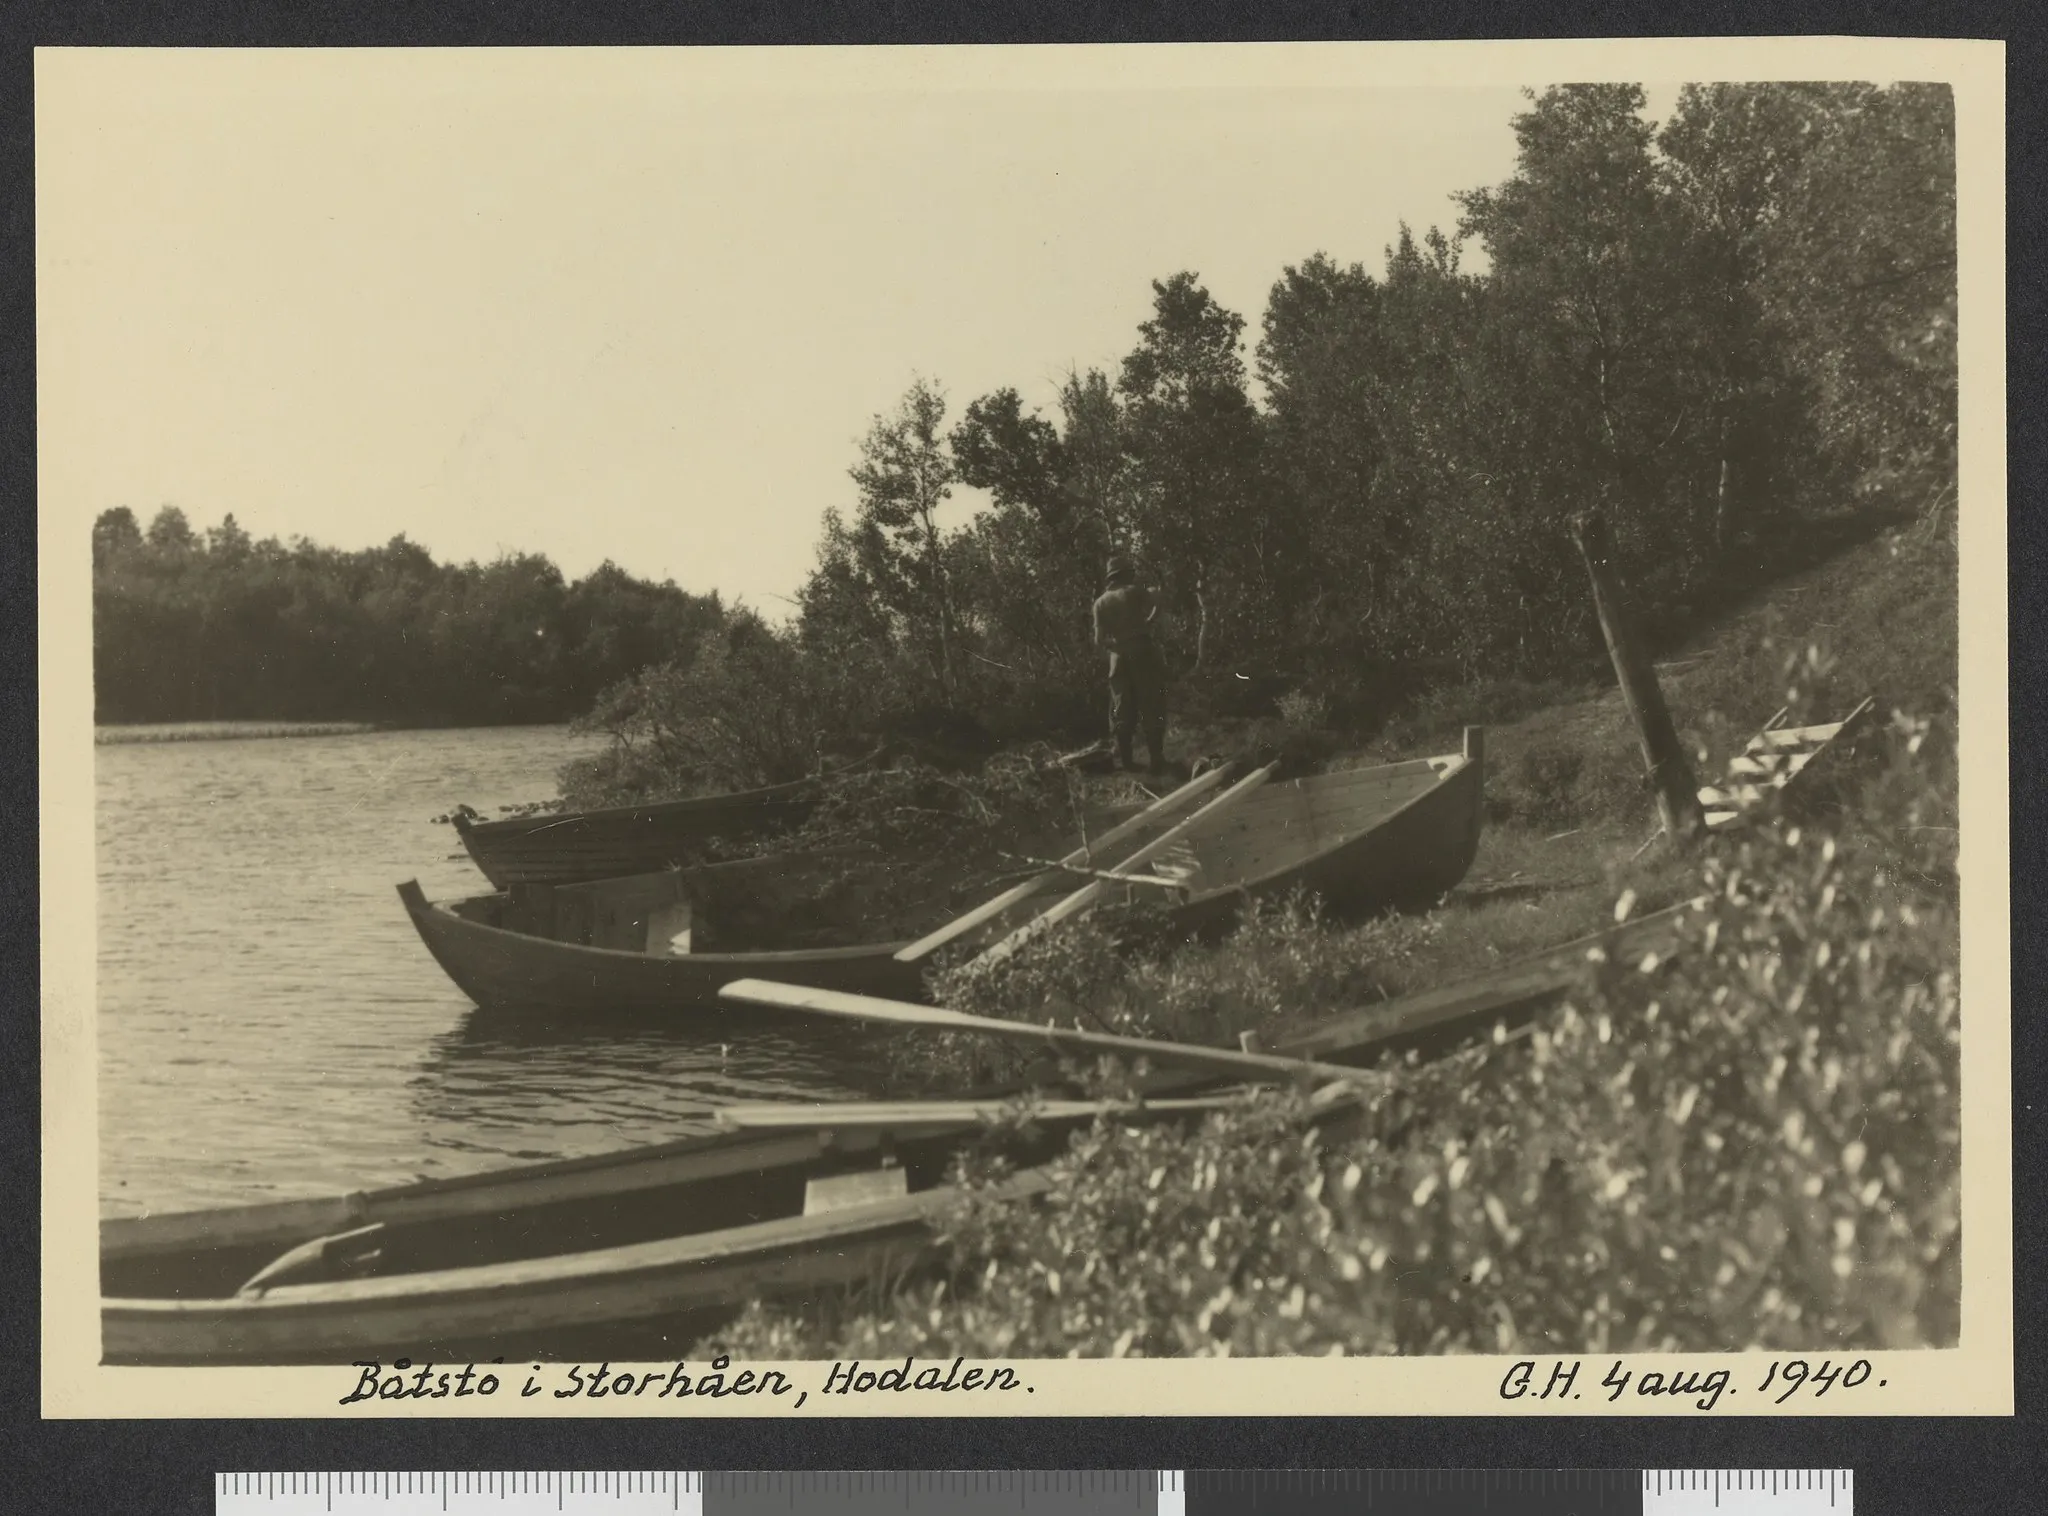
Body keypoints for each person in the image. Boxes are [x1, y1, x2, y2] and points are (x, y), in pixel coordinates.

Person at [1091, 554, 1168, 773]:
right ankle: (1157, 760)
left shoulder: (1100, 603)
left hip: (1117, 657)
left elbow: (1099, 640)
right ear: (1125, 574)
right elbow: (1158, 601)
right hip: (1142, 650)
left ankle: (1127, 762)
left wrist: (1116, 647)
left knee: (1121, 707)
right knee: (1152, 702)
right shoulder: (1134, 592)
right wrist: (1149, 621)